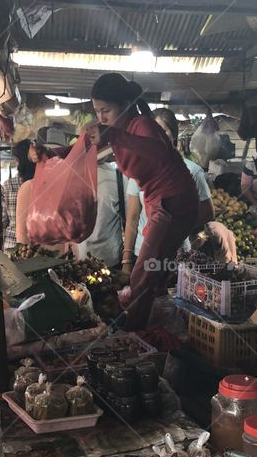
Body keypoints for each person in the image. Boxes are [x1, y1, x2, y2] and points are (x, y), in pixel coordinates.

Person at [84, 75, 199, 330]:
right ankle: (158, 330)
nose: (101, 117)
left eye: (106, 110)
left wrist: (113, 135)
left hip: (175, 202)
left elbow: (159, 152)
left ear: (125, 105)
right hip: (160, 203)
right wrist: (50, 154)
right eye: (97, 111)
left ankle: (132, 335)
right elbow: (84, 150)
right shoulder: (119, 133)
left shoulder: (141, 125)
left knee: (143, 272)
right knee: (154, 274)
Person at [123, 107, 213, 271]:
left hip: (176, 254)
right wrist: (126, 261)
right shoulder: (138, 170)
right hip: (142, 252)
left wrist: (177, 224)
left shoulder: (192, 171)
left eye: (163, 131)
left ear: (174, 135)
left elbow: (208, 212)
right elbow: (133, 217)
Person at [76, 159, 125, 267]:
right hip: (105, 257)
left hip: (107, 258)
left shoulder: (118, 175)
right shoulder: (118, 175)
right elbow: (131, 218)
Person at [2, 139, 34, 249]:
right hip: (37, 248)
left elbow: (2, 221)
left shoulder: (8, 186)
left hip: (12, 246)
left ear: (17, 161)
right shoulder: (42, 184)